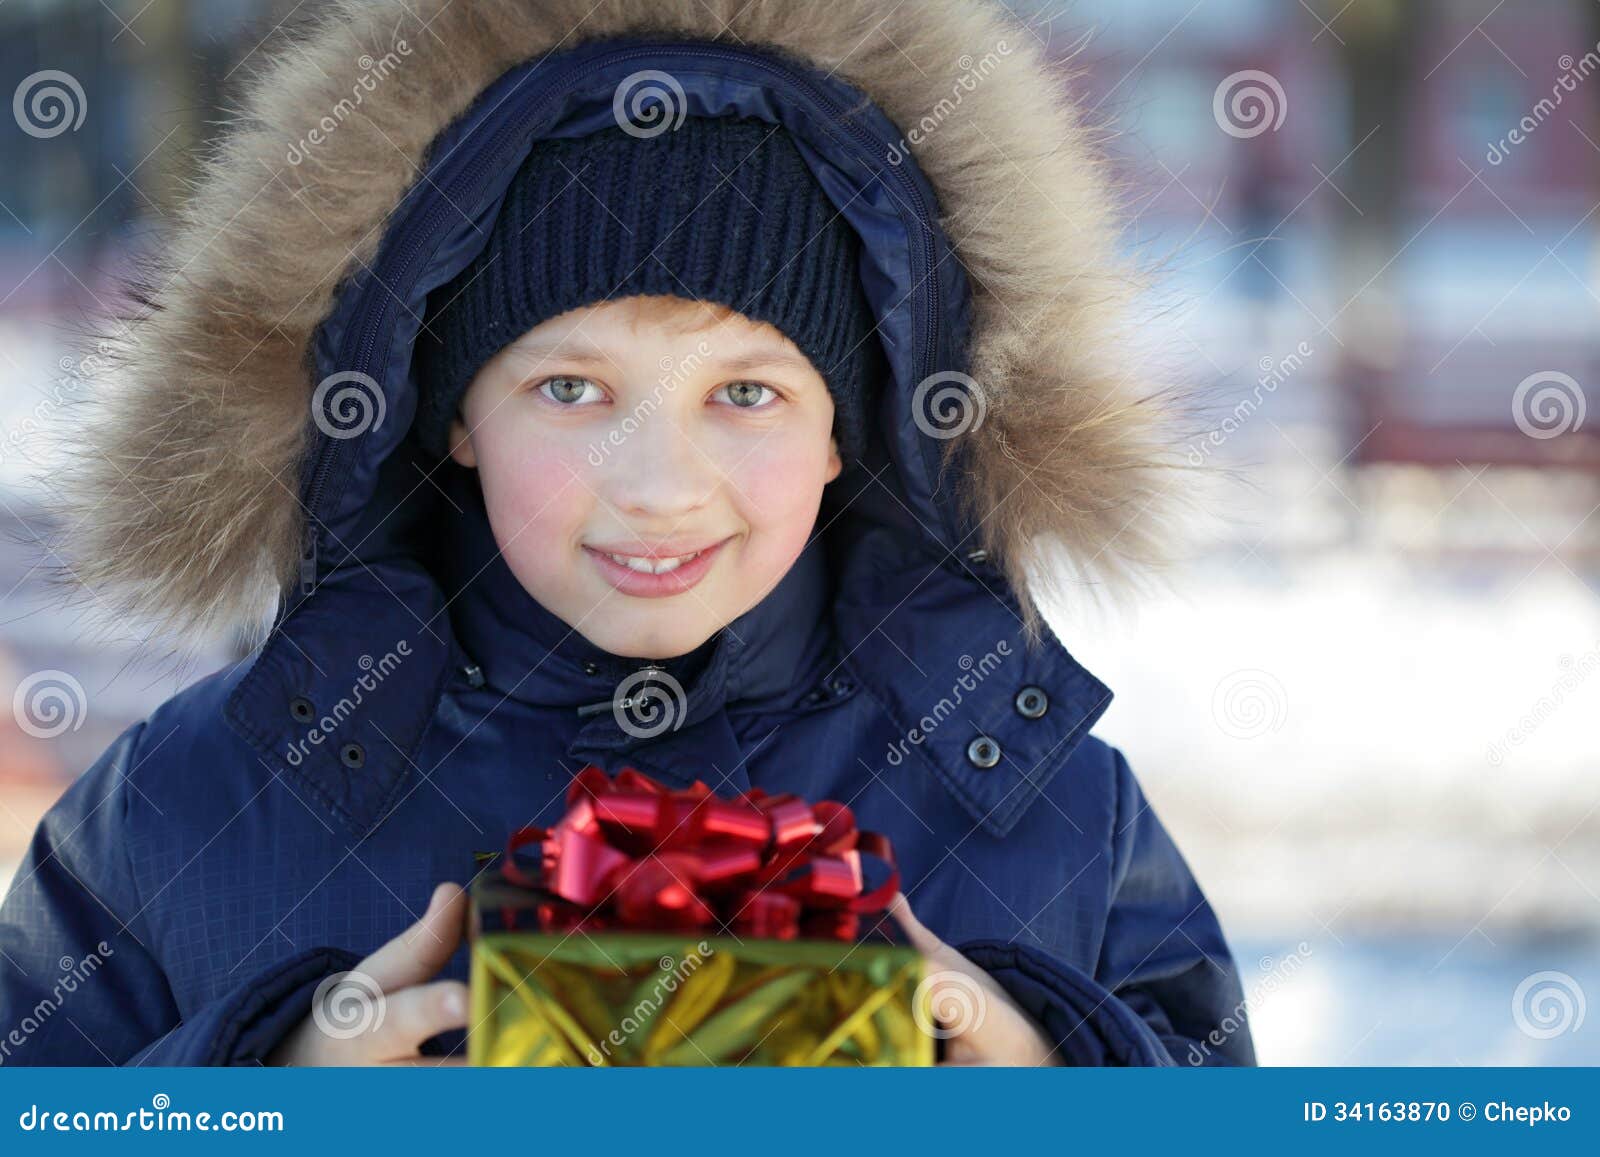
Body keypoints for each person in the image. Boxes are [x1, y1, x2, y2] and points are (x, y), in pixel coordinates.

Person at [0, 0, 1254, 1067]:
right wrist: (261, 1090)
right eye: (571, 389)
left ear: (848, 430)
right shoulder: (188, 808)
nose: (659, 485)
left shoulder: (1049, 813)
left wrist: (1053, 1075)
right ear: (453, 415)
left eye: (745, 392)